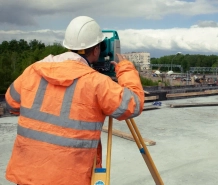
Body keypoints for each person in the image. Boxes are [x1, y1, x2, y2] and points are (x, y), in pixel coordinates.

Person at [5, 16, 144, 185]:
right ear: (95, 50)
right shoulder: (97, 83)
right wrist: (125, 69)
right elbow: (133, 105)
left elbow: (11, 104)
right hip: (69, 180)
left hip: (28, 176)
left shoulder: (33, 71)